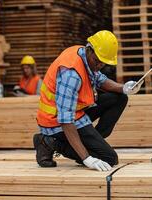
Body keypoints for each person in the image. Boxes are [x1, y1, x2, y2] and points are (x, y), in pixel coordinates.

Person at [33, 30, 143, 171]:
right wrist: (86, 158)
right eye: (97, 62)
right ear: (90, 50)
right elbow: (66, 120)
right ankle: (49, 142)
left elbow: (99, 79)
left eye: (102, 64)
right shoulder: (71, 75)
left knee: (119, 98)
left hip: (77, 113)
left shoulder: (84, 55)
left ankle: (93, 140)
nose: (98, 66)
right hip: (55, 122)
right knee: (109, 158)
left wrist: (124, 88)